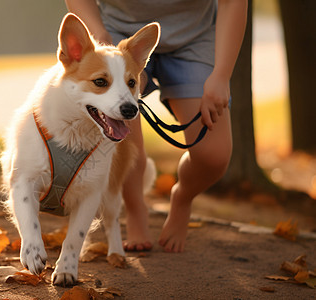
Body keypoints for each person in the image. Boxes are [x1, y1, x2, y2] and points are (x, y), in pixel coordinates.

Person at [65, 0, 247, 253]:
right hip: (115, 31)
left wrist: (221, 76)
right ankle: (136, 208)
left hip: (195, 37)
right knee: (121, 136)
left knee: (213, 156)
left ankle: (182, 198)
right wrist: (102, 40)